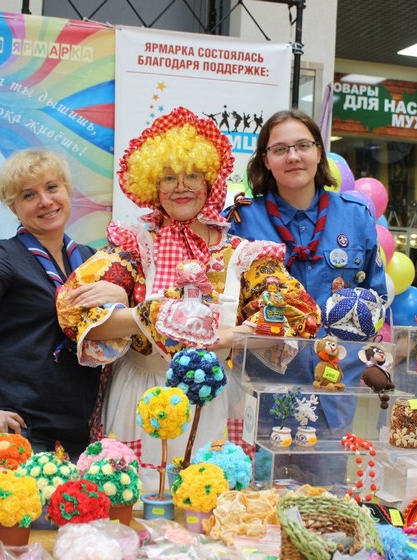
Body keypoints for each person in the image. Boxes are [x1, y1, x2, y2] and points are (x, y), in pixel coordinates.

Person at [56, 107, 320, 490]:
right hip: (141, 397)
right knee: (138, 500)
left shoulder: (242, 256)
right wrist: (144, 316)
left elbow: (298, 314)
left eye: (192, 175)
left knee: (211, 505)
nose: (181, 187)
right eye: (168, 177)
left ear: (210, 181)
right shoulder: (132, 248)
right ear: (153, 185)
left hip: (216, 398)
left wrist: (225, 338)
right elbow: (72, 309)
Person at [0, 150, 126, 457]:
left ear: (67, 190)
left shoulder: (92, 260)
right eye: (29, 195)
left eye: (52, 187)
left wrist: (121, 298)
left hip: (81, 432)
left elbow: (120, 333)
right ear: (14, 207)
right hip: (19, 432)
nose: (45, 201)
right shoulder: (6, 257)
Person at [223, 109, 387, 434]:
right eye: (280, 149)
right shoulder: (240, 222)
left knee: (329, 470)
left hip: (334, 392)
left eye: (303, 146)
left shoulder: (356, 217)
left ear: (319, 152)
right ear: (266, 159)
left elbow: (377, 300)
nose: (293, 156)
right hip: (259, 390)